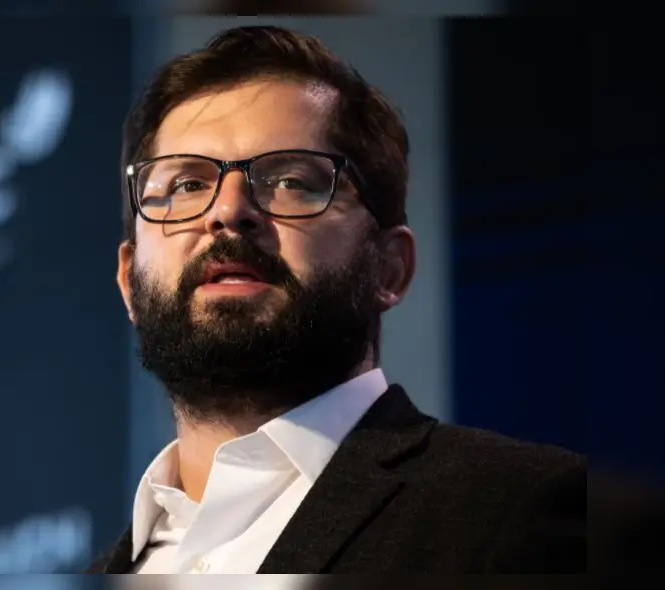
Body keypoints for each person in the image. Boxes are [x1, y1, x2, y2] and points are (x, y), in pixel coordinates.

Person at [87, 25, 586, 574]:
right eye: (185, 185)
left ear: (388, 267)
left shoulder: (525, 509)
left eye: (291, 180)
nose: (227, 210)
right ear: (130, 281)